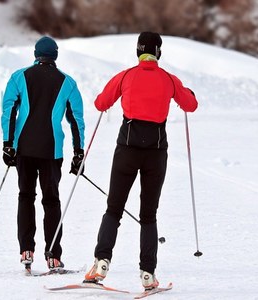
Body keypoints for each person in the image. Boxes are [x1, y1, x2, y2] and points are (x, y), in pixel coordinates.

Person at [84, 32, 198, 290]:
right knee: (148, 215)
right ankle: (148, 273)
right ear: (158, 52)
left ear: (138, 51)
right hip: (156, 154)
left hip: (127, 150)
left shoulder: (125, 76)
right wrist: (187, 92)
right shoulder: (169, 79)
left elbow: (101, 103)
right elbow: (190, 105)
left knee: (114, 208)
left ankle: (101, 262)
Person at [1, 36, 85, 272]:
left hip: (24, 149)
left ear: (36, 54)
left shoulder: (18, 77)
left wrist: (8, 144)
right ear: (55, 55)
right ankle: (53, 256)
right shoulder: (67, 83)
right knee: (51, 200)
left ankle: (26, 250)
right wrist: (79, 153)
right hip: (52, 150)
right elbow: (76, 121)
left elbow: (9, 111)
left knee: (25, 196)